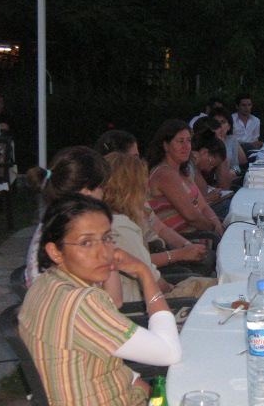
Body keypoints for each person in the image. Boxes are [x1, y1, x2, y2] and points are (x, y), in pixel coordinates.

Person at [19, 194, 181, 405]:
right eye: (86, 242)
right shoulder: (82, 302)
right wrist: (144, 274)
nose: (103, 253)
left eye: (106, 238)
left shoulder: (47, 283)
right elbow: (169, 353)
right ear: (55, 251)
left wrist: (150, 392)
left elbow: (114, 304)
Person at [94, 129, 215, 275]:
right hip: (154, 268)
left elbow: (160, 228)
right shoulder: (115, 222)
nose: (139, 163)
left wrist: (187, 246)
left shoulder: (135, 197)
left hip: (163, 253)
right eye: (134, 158)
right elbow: (138, 262)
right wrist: (180, 253)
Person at [103, 152, 216, 302]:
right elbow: (155, 282)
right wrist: (176, 287)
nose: (147, 190)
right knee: (217, 289)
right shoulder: (121, 228)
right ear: (131, 189)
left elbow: (160, 229)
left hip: (148, 290)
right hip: (147, 304)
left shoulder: (104, 221)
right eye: (143, 184)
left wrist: (186, 247)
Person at [24, 146, 117, 291]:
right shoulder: (82, 234)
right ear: (86, 193)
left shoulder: (49, 226)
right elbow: (113, 299)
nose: (104, 193)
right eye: (102, 187)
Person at [147, 119, 224, 235]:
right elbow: (192, 217)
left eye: (188, 140)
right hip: (185, 240)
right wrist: (214, 230)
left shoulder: (183, 172)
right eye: (180, 141)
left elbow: (203, 206)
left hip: (201, 235)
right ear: (166, 145)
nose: (187, 146)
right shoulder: (164, 174)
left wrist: (218, 225)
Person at [210, 106, 248, 177]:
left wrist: (234, 170)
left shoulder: (232, 140)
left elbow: (236, 165)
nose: (219, 126)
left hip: (230, 178)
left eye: (223, 122)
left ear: (229, 126)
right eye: (216, 122)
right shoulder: (207, 141)